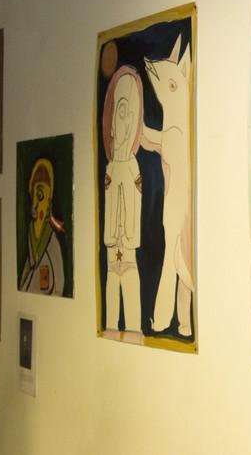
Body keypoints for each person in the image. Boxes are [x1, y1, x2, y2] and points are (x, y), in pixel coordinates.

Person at [102, 66, 144, 343]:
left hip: (127, 249)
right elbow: (109, 202)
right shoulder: (110, 167)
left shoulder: (132, 166)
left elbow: (136, 203)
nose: (126, 123)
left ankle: (134, 329)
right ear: (111, 120)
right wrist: (111, 237)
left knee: (130, 285)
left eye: (132, 114)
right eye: (121, 112)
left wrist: (128, 236)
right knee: (110, 314)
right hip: (112, 249)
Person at [19, 158, 66, 296]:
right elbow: (27, 270)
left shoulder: (52, 242)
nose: (35, 205)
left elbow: (59, 284)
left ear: (48, 202)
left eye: (40, 196)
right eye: (33, 196)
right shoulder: (31, 236)